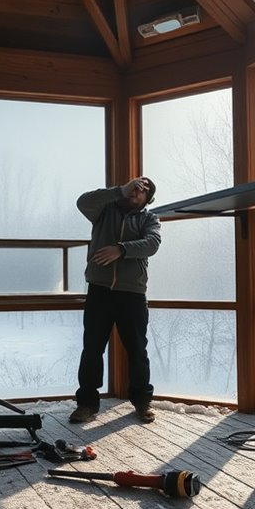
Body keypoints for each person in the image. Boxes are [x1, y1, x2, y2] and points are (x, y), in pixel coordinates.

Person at [70, 176, 161, 424]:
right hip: (99, 291)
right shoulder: (104, 210)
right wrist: (120, 190)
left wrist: (120, 249)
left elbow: (152, 244)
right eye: (135, 186)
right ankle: (87, 404)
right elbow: (82, 202)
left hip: (132, 294)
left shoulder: (149, 219)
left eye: (144, 190)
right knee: (92, 350)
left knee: (137, 351)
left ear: (148, 199)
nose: (137, 191)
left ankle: (142, 403)